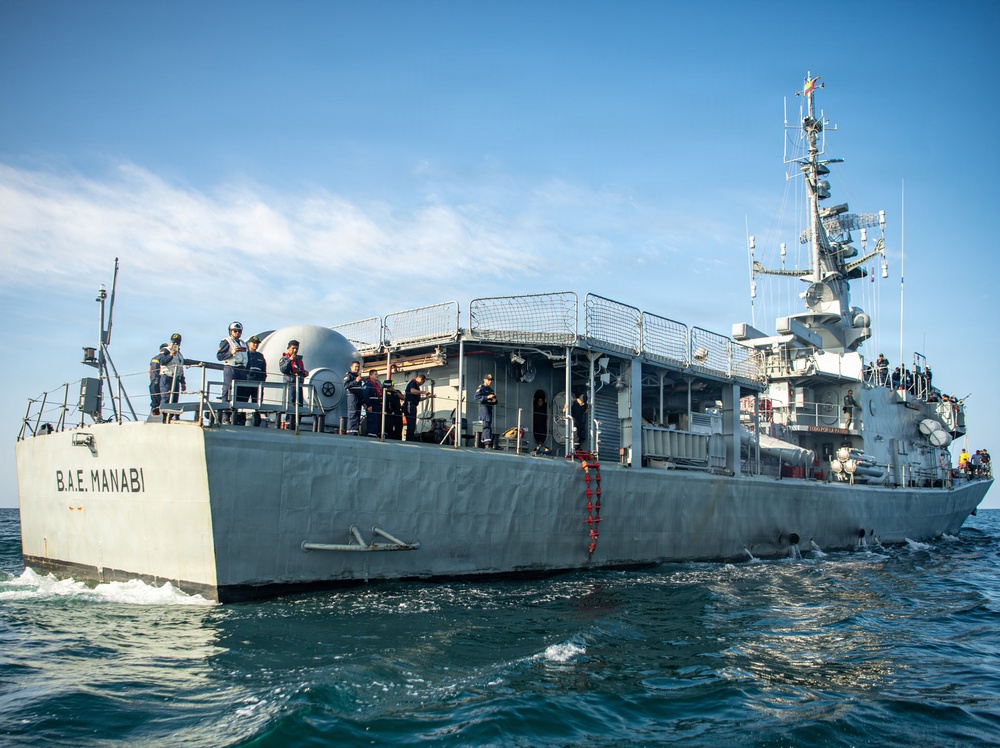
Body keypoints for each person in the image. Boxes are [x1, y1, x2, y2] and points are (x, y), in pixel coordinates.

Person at [217, 321, 248, 424]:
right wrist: (231, 353)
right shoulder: (226, 341)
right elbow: (219, 356)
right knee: (228, 390)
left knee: (241, 392)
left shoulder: (243, 343)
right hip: (231, 367)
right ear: (230, 332)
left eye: (239, 331)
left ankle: (238, 417)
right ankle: (225, 417)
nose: (237, 333)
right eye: (235, 331)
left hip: (241, 369)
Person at [279, 340, 308, 428]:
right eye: (293, 348)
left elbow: (299, 371)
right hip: (290, 384)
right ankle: (288, 424)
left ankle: (297, 423)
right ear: (288, 348)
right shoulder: (284, 359)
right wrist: (289, 360)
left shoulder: (299, 360)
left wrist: (304, 373)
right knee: (290, 404)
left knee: (299, 405)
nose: (295, 350)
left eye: (296, 348)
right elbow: (283, 370)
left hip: (298, 385)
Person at [157, 334, 186, 420]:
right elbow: (162, 361)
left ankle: (171, 417)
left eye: (177, 343)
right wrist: (170, 355)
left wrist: (183, 382)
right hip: (167, 377)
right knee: (166, 399)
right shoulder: (165, 350)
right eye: (173, 342)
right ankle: (163, 418)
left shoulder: (180, 355)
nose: (175, 344)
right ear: (170, 342)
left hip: (176, 378)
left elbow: (180, 368)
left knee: (174, 400)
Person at [243, 335, 267, 426]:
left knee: (257, 403)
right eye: (254, 343)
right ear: (249, 343)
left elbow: (264, 370)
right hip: (247, 381)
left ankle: (256, 422)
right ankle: (241, 420)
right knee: (243, 402)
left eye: (257, 343)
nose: (255, 345)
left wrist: (262, 380)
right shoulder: (245, 355)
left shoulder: (260, 356)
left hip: (258, 382)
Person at [403, 373, 430, 441]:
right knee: (411, 423)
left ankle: (410, 438)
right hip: (409, 405)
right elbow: (413, 391)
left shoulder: (415, 385)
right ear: (421, 379)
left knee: (412, 423)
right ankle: (409, 439)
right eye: (423, 382)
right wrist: (424, 392)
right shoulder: (413, 383)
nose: (423, 383)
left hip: (412, 405)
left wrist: (428, 397)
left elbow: (417, 399)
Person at [474, 373, 497, 448]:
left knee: (488, 423)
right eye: (489, 380)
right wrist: (487, 397)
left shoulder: (490, 390)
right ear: (485, 380)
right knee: (486, 423)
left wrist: (494, 400)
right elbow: (477, 397)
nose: (490, 381)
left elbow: (495, 400)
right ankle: (487, 442)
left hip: (490, 407)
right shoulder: (481, 388)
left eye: (491, 380)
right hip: (484, 407)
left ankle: (484, 440)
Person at [343, 360, 366, 435]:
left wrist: (363, 402)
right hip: (352, 397)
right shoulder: (349, 375)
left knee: (357, 415)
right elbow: (346, 385)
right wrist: (355, 381)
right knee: (352, 415)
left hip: (358, 398)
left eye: (358, 367)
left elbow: (360, 390)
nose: (357, 368)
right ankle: (351, 432)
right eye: (356, 367)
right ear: (351, 367)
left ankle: (355, 431)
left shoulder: (357, 376)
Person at [149, 342, 168, 416]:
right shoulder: (163, 358)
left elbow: (150, 371)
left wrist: (151, 380)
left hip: (153, 382)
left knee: (154, 404)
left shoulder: (153, 358)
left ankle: (153, 415)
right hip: (161, 383)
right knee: (162, 402)